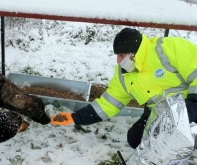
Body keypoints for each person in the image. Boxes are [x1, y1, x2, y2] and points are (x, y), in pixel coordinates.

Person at [51, 27, 197, 149]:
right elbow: (109, 103)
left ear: (135, 52)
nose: (118, 60)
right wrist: (75, 118)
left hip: (189, 107)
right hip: (158, 113)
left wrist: (191, 108)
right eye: (117, 56)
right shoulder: (124, 74)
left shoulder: (167, 48)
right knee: (135, 139)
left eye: (122, 55)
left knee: (177, 139)